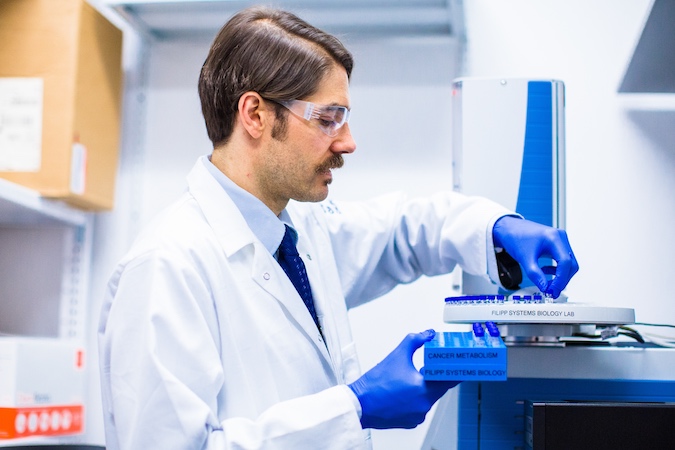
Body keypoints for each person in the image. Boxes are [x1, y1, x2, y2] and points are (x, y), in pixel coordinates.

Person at [98, 6, 579, 450]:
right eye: (328, 119)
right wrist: (354, 408)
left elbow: (399, 232)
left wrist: (496, 226)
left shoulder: (297, 232)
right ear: (255, 115)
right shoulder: (166, 266)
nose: (347, 143)